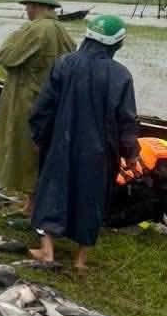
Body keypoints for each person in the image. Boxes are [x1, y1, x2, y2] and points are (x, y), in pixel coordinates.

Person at [29, 15, 139, 271]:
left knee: (52, 190)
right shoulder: (121, 75)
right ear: (116, 44)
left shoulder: (64, 64)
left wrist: (38, 137)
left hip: (60, 143)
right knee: (92, 197)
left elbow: (43, 108)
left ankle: (47, 251)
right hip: (100, 151)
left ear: (88, 36)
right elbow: (127, 121)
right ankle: (80, 260)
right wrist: (131, 153)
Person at [0, 0, 75, 213]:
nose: (26, 10)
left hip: (27, 100)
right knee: (41, 153)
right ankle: (33, 203)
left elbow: (4, 57)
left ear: (35, 6)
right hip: (51, 102)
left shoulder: (35, 30)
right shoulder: (62, 31)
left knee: (25, 152)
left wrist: (16, 35)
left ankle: (33, 206)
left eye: (28, 6)